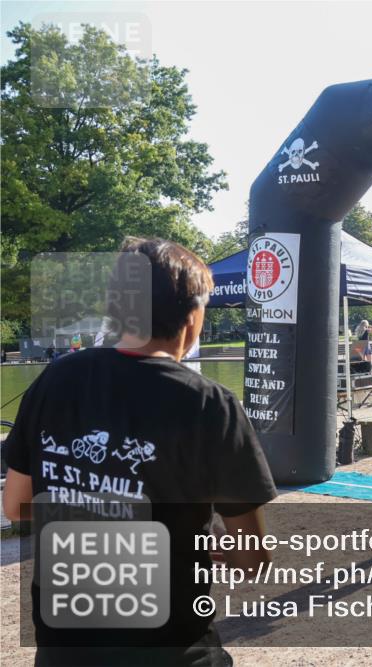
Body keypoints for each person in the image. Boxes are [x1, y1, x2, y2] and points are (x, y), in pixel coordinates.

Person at [2, 237, 277, 666]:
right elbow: (252, 558)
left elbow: (17, 503)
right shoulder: (210, 405)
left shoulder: (55, 381)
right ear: (194, 314)